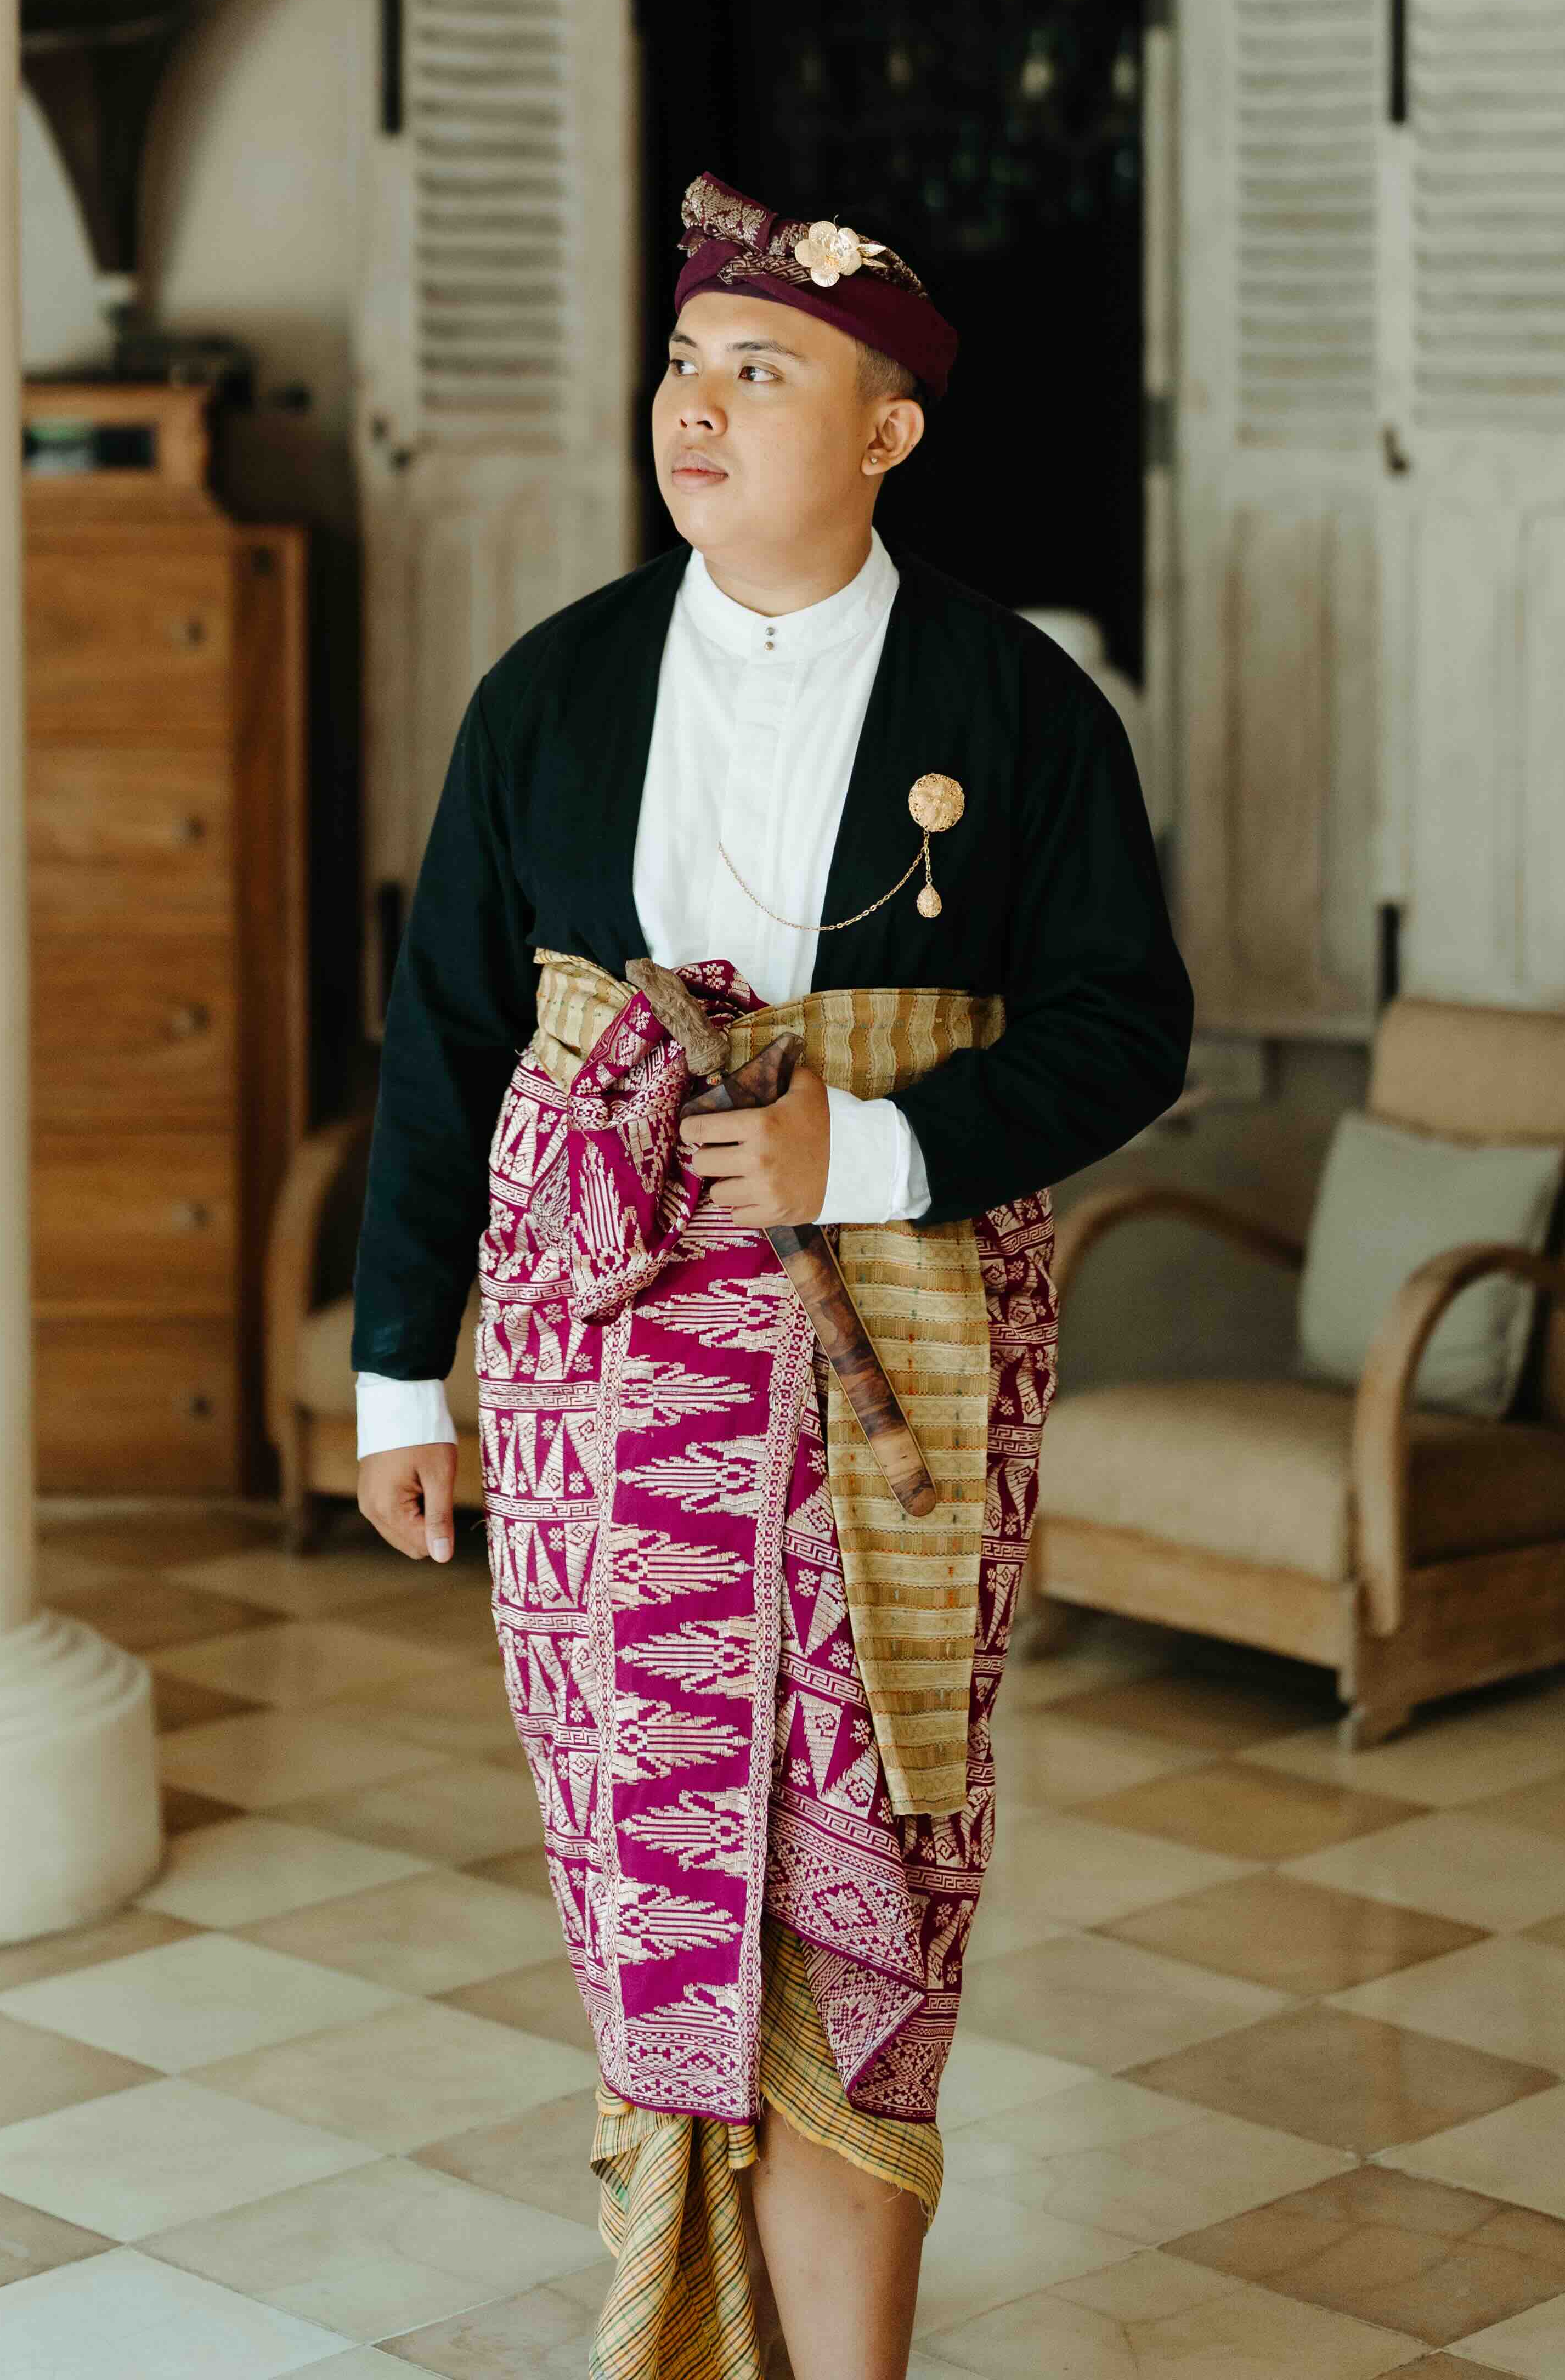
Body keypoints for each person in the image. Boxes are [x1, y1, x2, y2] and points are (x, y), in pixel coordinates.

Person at [352, 172, 1193, 2380]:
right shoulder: (551, 693)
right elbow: (446, 1040)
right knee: (649, 1870)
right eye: (681, 367)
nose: (695, 412)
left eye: (760, 372)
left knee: (872, 1889)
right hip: (601, 1374)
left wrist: (866, 1149)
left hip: (900, 1370)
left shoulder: (1021, 708)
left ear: (887, 431)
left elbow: (1127, 1028)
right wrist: (400, 1380)